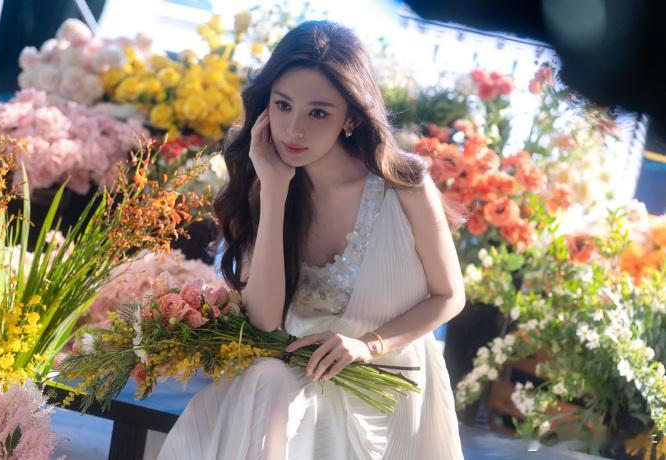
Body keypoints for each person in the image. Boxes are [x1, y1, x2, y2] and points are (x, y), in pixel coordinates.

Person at [158, 20, 466, 460]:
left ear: (352, 118)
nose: (293, 130)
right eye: (283, 106)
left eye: (318, 113)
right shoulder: (267, 186)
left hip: (387, 383)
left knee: (270, 389)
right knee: (266, 381)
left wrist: (367, 344)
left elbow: (450, 295)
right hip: (301, 377)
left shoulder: (405, 186)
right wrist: (274, 189)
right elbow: (265, 321)